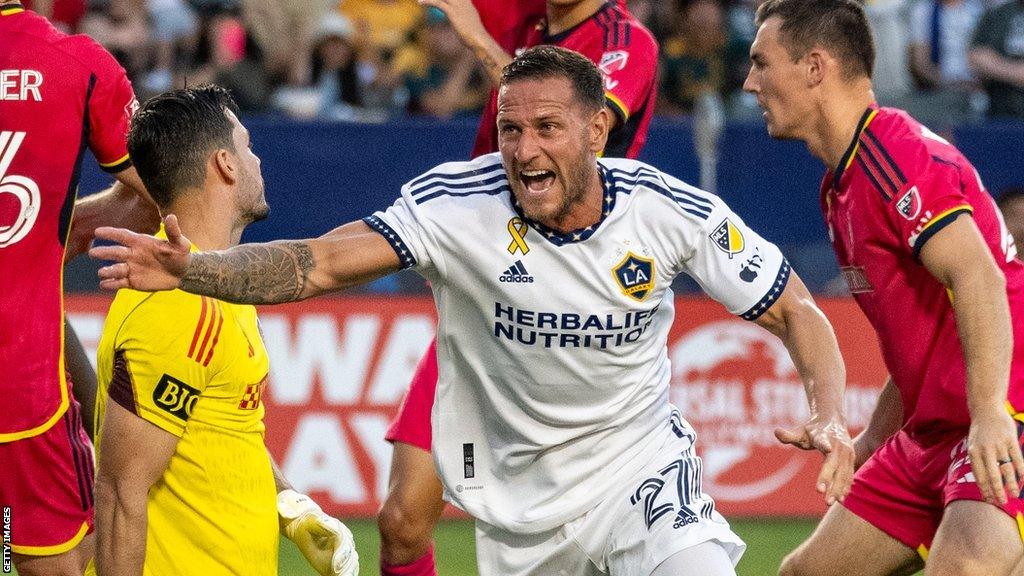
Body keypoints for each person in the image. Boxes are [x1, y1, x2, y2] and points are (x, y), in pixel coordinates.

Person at [92, 45, 856, 576]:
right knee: (401, 525)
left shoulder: (672, 213)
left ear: (597, 130)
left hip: (641, 474)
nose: (523, 151)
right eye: (512, 128)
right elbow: (318, 263)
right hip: (519, 502)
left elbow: (796, 310)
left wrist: (827, 409)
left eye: (548, 129)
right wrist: (198, 270)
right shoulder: (454, 204)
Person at [742, 1, 1024, 574]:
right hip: (933, 432)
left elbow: (979, 278)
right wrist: (874, 436)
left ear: (815, 67)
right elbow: (924, 333)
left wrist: (991, 414)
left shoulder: (894, 152)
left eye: (761, 62)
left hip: (1004, 408)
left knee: (965, 566)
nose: (749, 83)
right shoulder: (840, 186)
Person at [378, 2, 659, 573]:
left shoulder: (625, 40)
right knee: (402, 522)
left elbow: (588, 147)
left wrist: (479, 41)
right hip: (488, 298)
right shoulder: (531, 24)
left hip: (569, 306)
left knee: (576, 539)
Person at [89, 85, 359, 576]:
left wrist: (292, 507)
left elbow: (230, 422)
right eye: (247, 146)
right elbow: (118, 493)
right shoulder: (178, 307)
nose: (257, 160)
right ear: (225, 165)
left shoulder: (214, 283)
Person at [0, 3, 160, 574]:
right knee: (52, 559)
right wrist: (47, 235)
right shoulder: (78, 64)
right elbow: (159, 192)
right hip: (18, 380)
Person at [968, 0, 1024, 120]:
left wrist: (996, 65)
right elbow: (976, 56)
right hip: (999, 111)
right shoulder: (998, 13)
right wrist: (1015, 72)